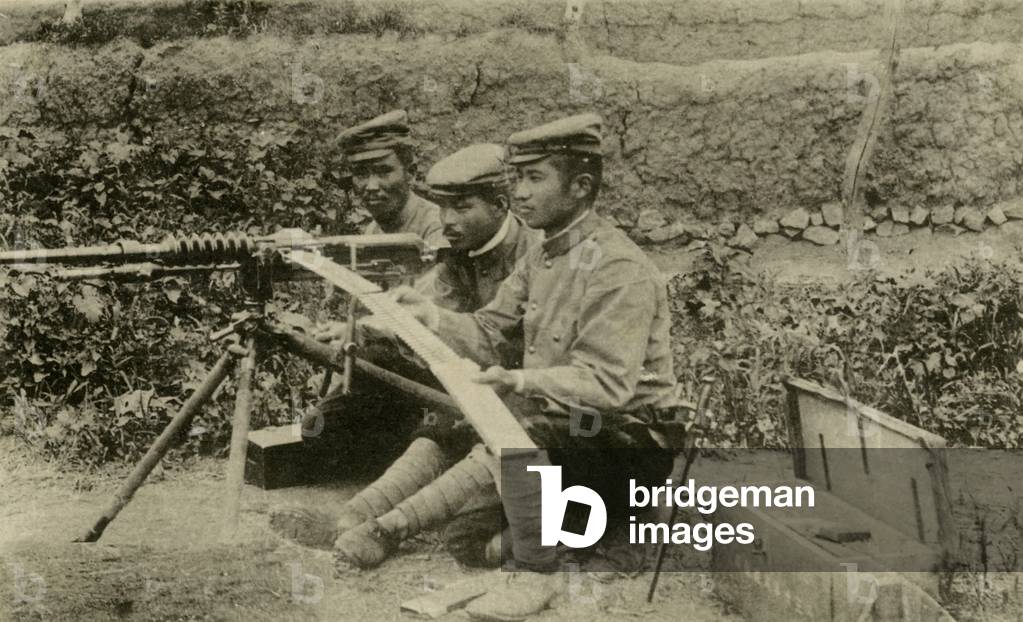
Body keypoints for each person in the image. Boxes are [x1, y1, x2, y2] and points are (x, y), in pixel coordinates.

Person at [335, 113, 678, 621]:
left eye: (534, 177)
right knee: (466, 540)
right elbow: (491, 332)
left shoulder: (616, 267)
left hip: (627, 444)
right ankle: (584, 537)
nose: (518, 192)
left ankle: (508, 561)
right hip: (563, 428)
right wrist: (428, 315)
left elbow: (607, 384)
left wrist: (517, 380)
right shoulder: (543, 252)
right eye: (515, 177)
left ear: (581, 186)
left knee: (519, 423)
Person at [270, 143, 540, 551]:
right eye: (443, 208)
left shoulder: (533, 255)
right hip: (479, 382)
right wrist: (372, 327)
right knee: (442, 421)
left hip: (531, 393)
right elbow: (431, 305)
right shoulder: (460, 252)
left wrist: (427, 323)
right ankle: (355, 516)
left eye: (461, 208)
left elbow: (505, 338)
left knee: (465, 427)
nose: (447, 221)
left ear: (500, 205)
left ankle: (385, 530)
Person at [339, 109, 446, 248]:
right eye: (361, 174)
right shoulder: (373, 231)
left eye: (383, 171)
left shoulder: (437, 227)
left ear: (410, 173)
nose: (371, 186)